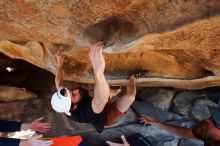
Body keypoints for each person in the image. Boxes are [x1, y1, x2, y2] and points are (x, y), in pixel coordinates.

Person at [51, 42, 136, 133]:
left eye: (71, 90)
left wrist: (60, 64)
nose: (76, 90)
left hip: (96, 101)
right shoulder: (86, 113)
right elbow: (101, 100)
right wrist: (98, 72)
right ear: (74, 107)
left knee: (104, 94)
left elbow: (58, 83)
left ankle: (110, 93)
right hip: (105, 115)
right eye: (73, 95)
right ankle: (133, 77)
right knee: (130, 97)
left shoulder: (63, 98)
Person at [139, 106, 220, 146]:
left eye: (215, 122)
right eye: (211, 117)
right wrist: (158, 123)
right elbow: (186, 132)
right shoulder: (209, 135)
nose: (207, 120)